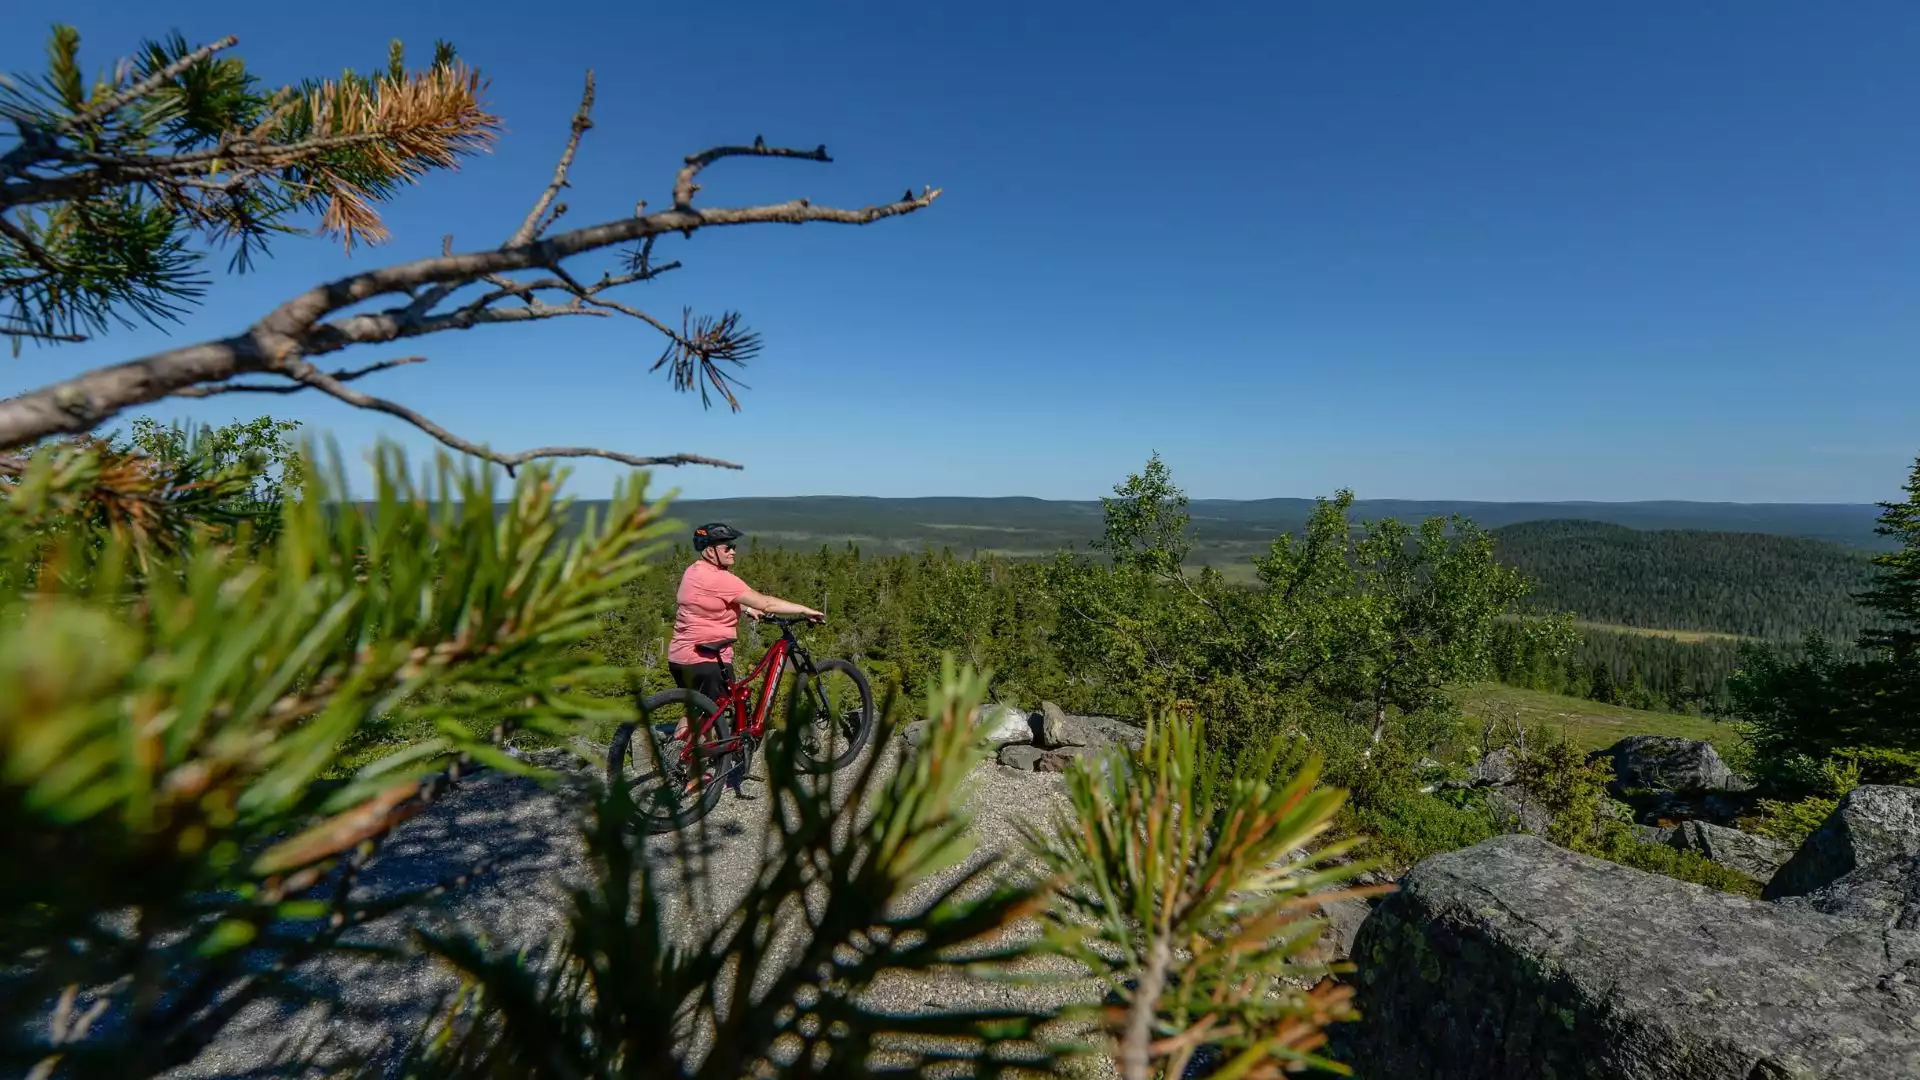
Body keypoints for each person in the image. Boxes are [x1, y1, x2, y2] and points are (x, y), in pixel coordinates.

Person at [667, 522, 823, 743]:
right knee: (709, 717)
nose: (733, 551)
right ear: (710, 551)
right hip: (707, 661)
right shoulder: (721, 579)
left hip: (680, 658)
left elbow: (709, 600)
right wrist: (805, 610)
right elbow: (767, 603)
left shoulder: (693, 571)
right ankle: (695, 773)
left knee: (695, 709)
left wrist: (747, 609)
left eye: (733, 546)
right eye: (726, 547)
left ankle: (674, 752)